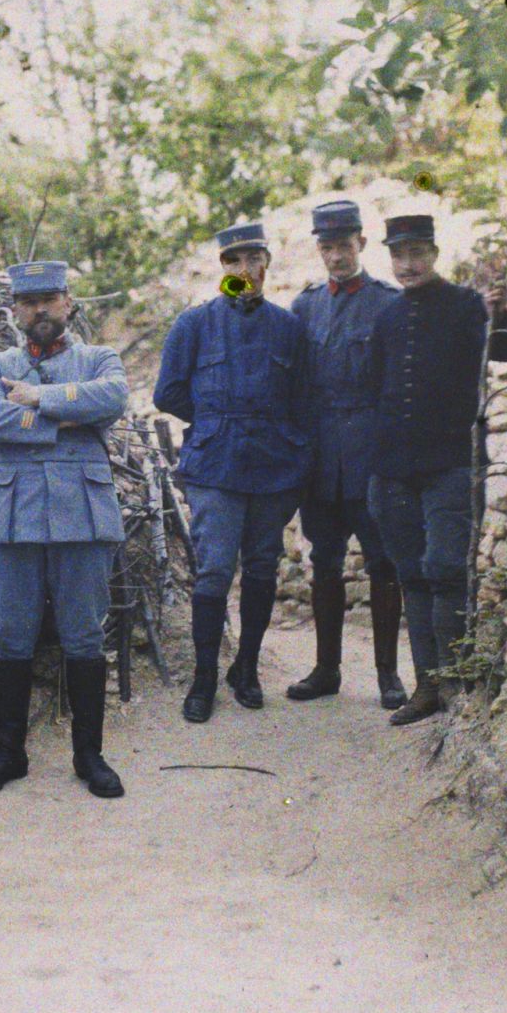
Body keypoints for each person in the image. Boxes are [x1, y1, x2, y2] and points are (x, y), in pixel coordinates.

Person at [0, 260, 130, 800]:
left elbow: (113, 399)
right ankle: (9, 754)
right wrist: (68, 415)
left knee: (84, 632)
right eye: (28, 301)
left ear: (68, 303)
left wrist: (36, 400)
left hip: (82, 510)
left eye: (50, 299)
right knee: (11, 631)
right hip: (11, 513)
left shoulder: (98, 358)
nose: (40, 310)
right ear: (14, 311)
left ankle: (90, 755)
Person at [154, 222, 311, 723]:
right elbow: (168, 393)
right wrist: (215, 419)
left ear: (266, 264)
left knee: (262, 567)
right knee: (216, 567)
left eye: (253, 260)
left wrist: (289, 448)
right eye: (234, 262)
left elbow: (303, 401)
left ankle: (246, 668)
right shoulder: (194, 325)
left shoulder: (288, 328)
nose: (244, 271)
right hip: (216, 464)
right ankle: (204, 676)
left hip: (272, 464)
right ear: (222, 269)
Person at [358, 214, 497, 725]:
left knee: (444, 566)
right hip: (394, 469)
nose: (408, 265)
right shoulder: (388, 318)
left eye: (417, 253)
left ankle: (458, 679)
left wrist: (499, 316)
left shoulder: (465, 306)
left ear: (435, 254)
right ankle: (427, 686)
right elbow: (374, 388)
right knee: (411, 573)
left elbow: (502, 356)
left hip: (450, 463)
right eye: (399, 255)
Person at [285, 199, 407, 709]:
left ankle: (387, 675)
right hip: (320, 458)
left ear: (361, 243)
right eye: (327, 247)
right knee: (325, 561)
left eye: (344, 245)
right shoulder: (306, 305)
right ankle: (326, 669)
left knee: (383, 562)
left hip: (371, 455)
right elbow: (292, 384)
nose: (336, 256)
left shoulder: (389, 303)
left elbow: (400, 387)